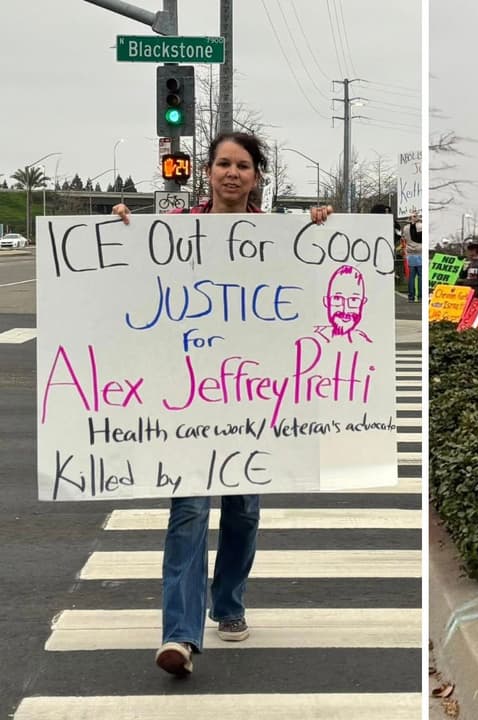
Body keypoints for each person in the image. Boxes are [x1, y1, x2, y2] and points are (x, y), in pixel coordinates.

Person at [112, 131, 333, 678]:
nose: (231, 173)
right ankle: (179, 634)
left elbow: (307, 291)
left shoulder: (279, 234)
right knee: (187, 510)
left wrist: (323, 228)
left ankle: (228, 602)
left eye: (242, 166)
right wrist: (119, 231)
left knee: (243, 509)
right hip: (189, 399)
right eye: (222, 164)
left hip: (252, 399)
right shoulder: (178, 230)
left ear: (257, 176)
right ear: (206, 172)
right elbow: (140, 276)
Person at [403, 213, 423, 302]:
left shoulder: (405, 228)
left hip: (410, 253)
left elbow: (405, 238)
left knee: (411, 276)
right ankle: (420, 296)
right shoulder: (421, 226)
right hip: (420, 252)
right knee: (421, 276)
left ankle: (411, 296)